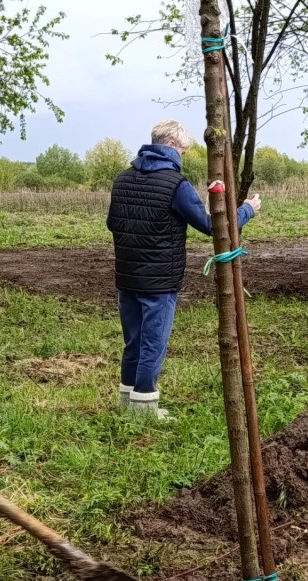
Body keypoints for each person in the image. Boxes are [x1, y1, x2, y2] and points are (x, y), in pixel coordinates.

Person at [107, 120, 261, 419]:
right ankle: (144, 409)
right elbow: (211, 226)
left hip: (127, 276)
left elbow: (112, 223)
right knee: (154, 342)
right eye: (185, 151)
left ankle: (127, 401)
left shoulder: (122, 179)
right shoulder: (175, 184)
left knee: (134, 342)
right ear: (173, 147)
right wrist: (247, 211)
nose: (184, 156)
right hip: (160, 280)